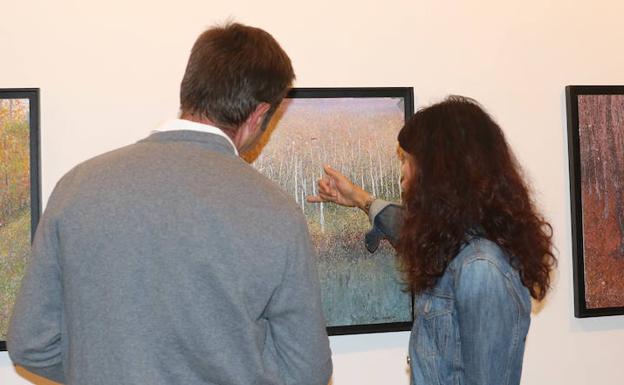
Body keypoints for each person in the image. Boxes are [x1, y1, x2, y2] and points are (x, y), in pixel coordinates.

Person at [8, 22, 332, 385]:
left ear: (190, 87)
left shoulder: (77, 187)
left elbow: (32, 344)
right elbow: (306, 371)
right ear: (258, 115)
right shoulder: (276, 211)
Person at [308, 96, 555, 385]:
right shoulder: (453, 244)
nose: (403, 172)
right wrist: (360, 199)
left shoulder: (481, 268)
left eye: (409, 161)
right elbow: (408, 231)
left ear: (440, 172)